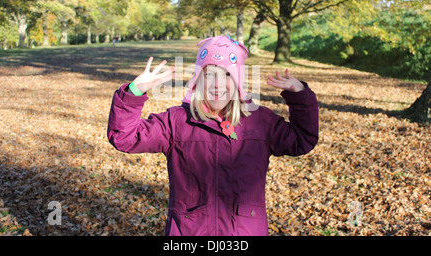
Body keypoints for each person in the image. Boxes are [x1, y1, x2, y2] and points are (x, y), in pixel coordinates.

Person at [107, 35, 319, 236]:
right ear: (198, 79)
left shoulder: (259, 122)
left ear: (238, 81)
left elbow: (302, 139)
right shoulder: (177, 122)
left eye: (227, 75)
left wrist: (300, 97)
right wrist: (134, 91)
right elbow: (124, 137)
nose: (217, 84)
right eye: (209, 74)